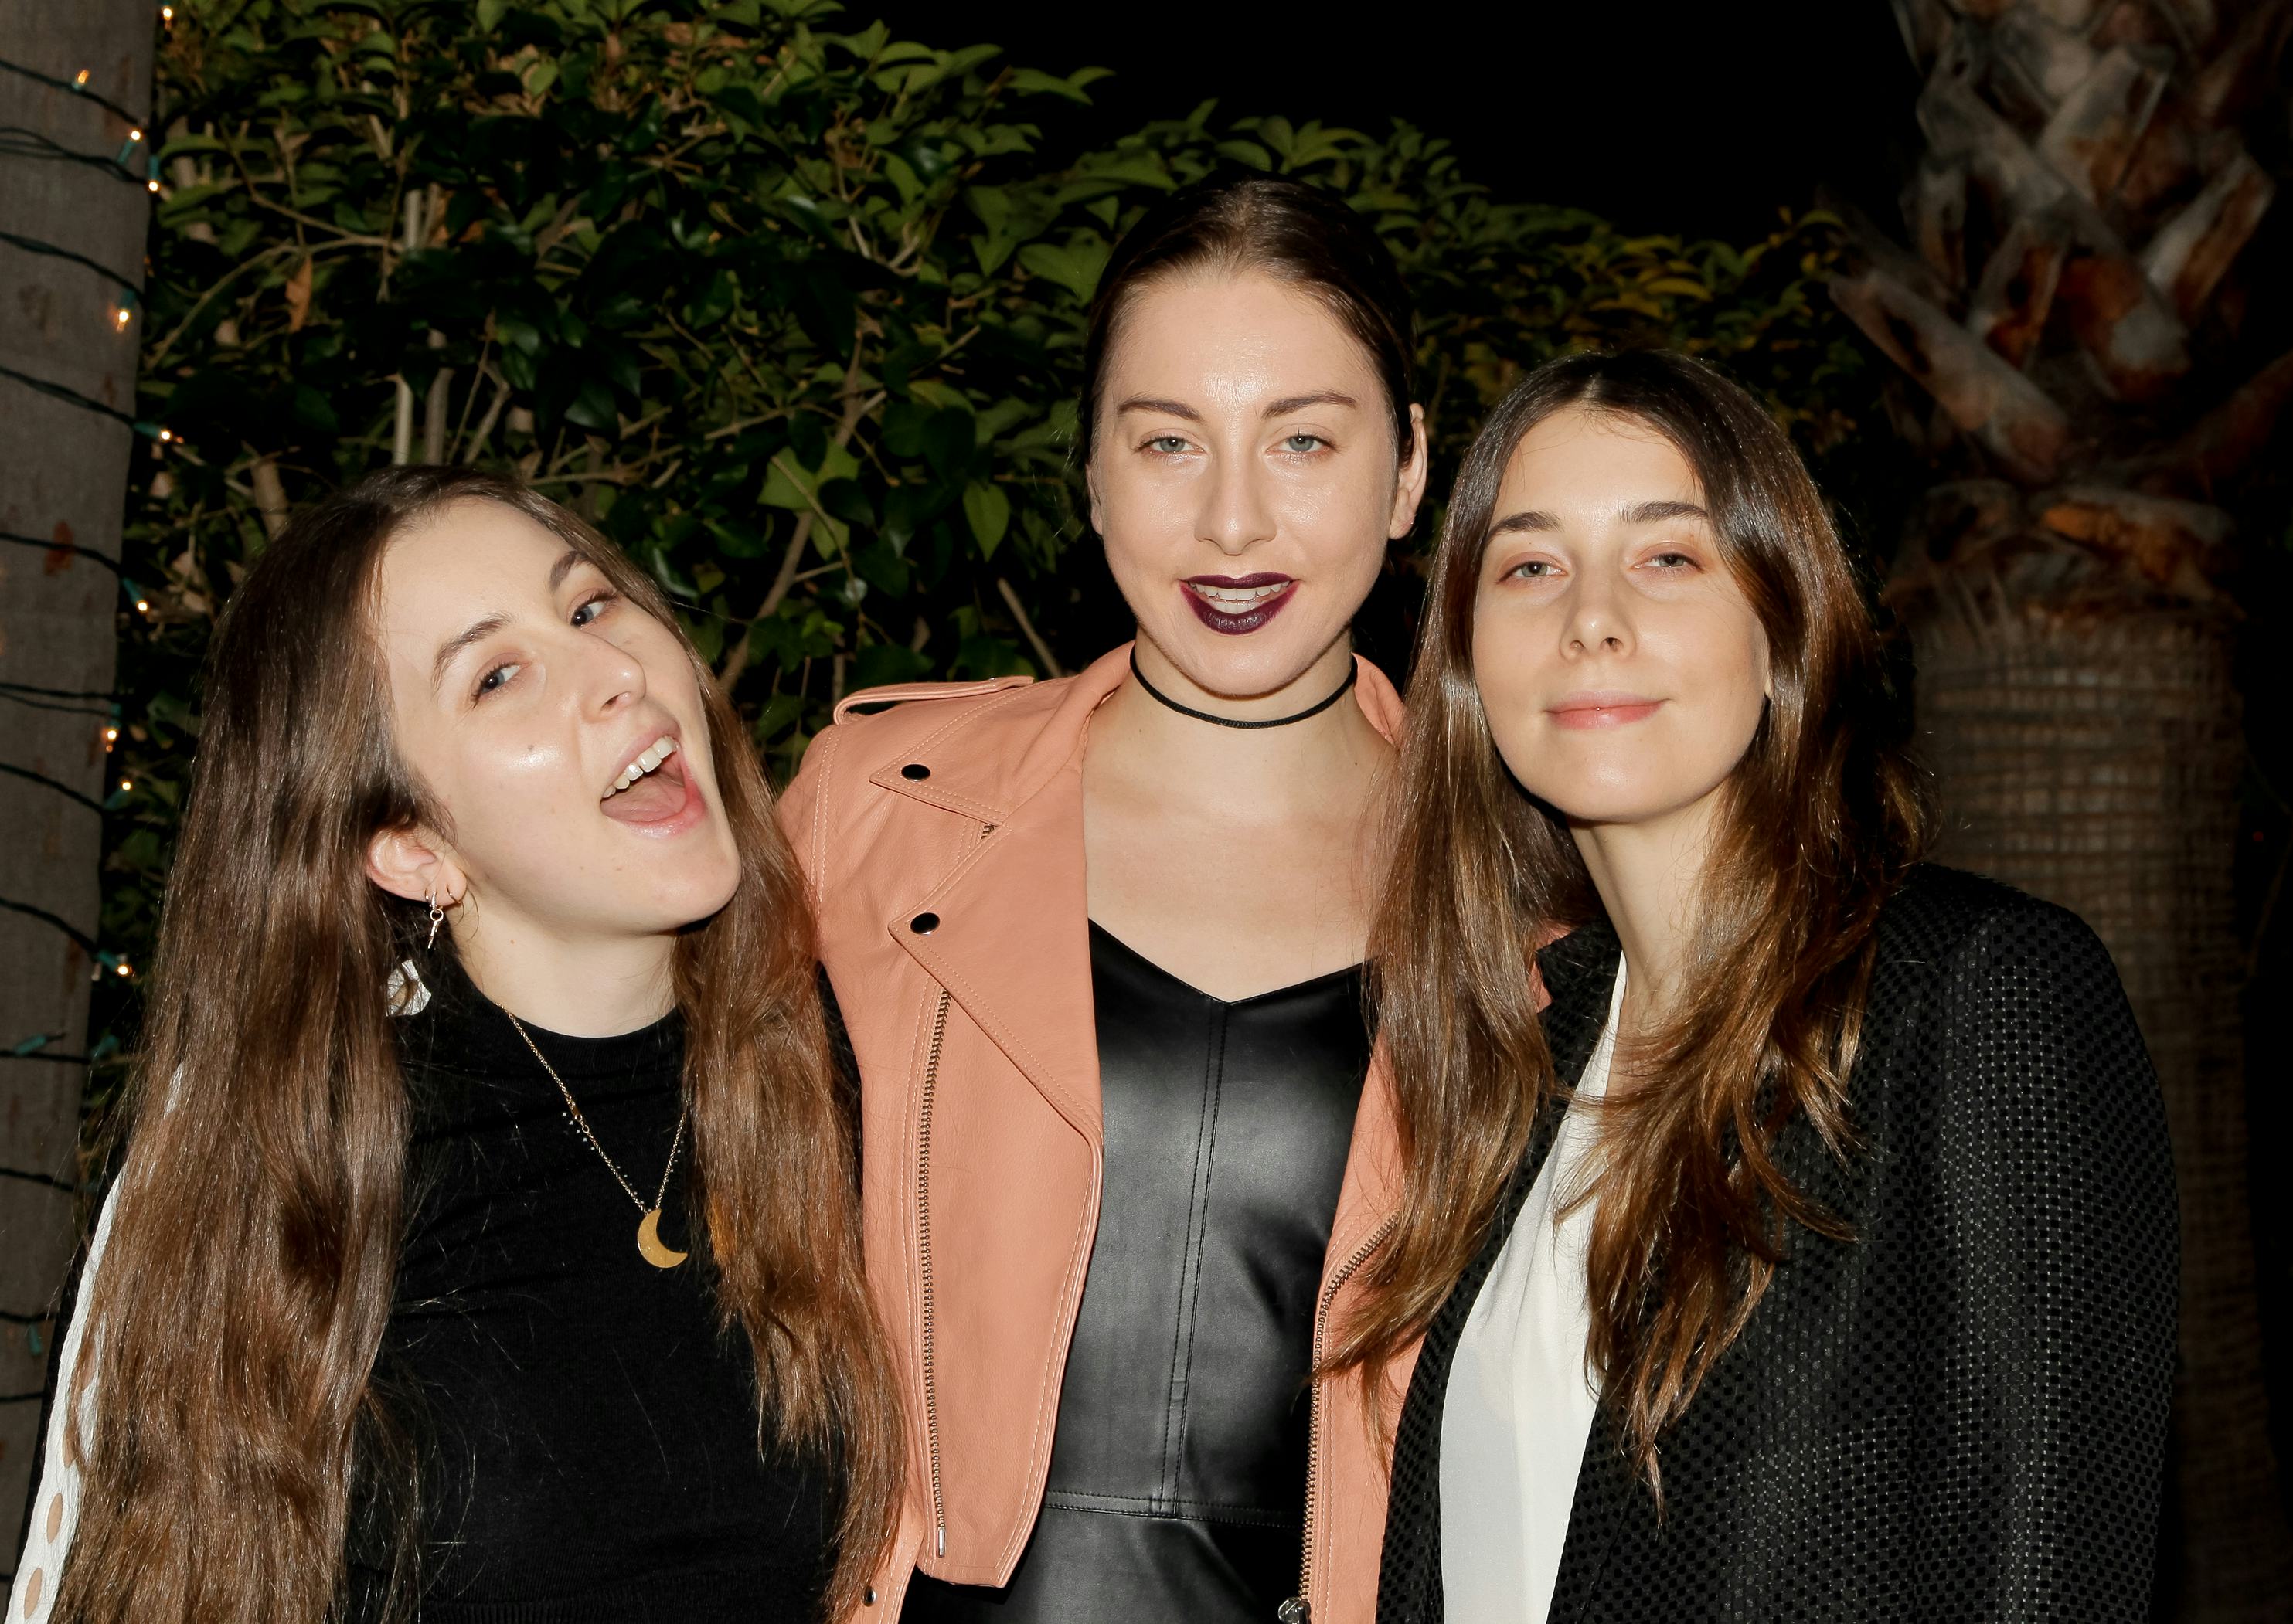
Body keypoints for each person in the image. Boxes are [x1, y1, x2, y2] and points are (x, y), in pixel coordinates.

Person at [1352, 350, 2176, 1622]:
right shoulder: (1526, 1063)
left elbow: (2047, 1567)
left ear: (1782, 623)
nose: (1590, 618)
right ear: (1468, 661)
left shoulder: (1976, 1000)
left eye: (1667, 556)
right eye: (1530, 567)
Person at [8, 469, 901, 1624]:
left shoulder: (837, 1059)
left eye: (590, 606)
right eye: (497, 675)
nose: (616, 673)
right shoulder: (295, 1147)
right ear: (411, 848)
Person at [784, 175, 1429, 1624]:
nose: (1233, 520)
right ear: (1090, 477)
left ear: (1407, 472)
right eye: (1167, 441)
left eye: (1304, 439)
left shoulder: (1527, 899)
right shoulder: (877, 810)